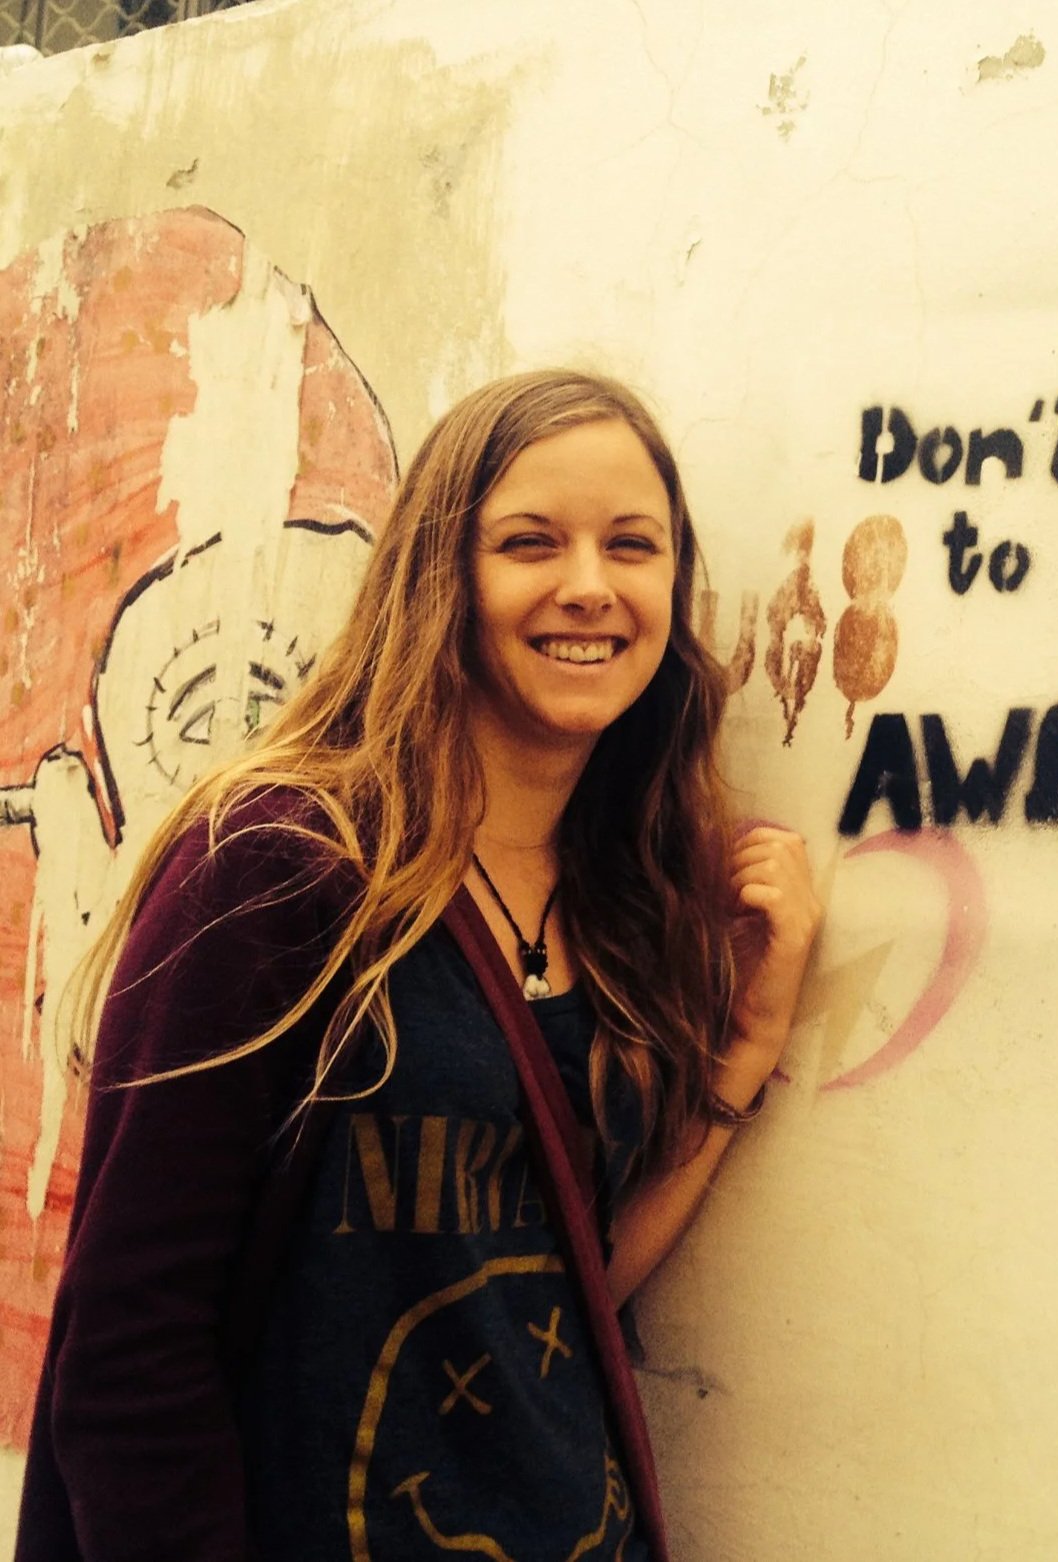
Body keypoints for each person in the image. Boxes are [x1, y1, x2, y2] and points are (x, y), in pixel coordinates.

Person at [17, 369, 822, 1562]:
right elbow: (127, 1347)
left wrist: (741, 1049)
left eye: (633, 544)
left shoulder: (615, 893)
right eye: (530, 542)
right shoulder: (278, 868)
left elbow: (559, 1285)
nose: (590, 585)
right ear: (441, 572)